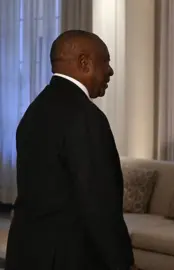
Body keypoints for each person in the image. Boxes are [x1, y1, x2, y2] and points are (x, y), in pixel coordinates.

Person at [6, 30, 136, 270]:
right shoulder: (86, 117)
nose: (110, 71)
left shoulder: (35, 110)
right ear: (84, 63)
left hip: (26, 251)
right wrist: (123, 262)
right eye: (105, 61)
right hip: (70, 256)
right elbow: (98, 202)